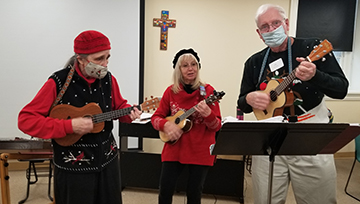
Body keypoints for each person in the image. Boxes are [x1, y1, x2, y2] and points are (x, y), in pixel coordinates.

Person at [237, 4, 348, 204]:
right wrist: (249, 99)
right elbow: (242, 103)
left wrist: (316, 75)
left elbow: (341, 89)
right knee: (265, 199)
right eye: (265, 27)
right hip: (268, 139)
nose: (271, 30)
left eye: (276, 23)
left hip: (309, 136)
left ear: (286, 24)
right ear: (259, 33)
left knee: (318, 199)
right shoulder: (253, 62)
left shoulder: (312, 48)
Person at [18, 30, 142, 204]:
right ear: (81, 59)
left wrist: (129, 113)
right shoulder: (58, 82)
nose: (105, 64)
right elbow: (26, 119)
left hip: (108, 163)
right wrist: (69, 126)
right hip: (73, 169)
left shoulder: (109, 80)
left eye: (108, 57)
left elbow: (119, 106)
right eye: (99, 59)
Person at [151, 48, 222, 204]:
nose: (190, 69)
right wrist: (166, 125)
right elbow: (156, 118)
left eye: (194, 64)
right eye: (185, 65)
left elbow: (216, 126)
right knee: (165, 189)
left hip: (200, 148)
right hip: (175, 147)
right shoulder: (170, 92)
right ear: (178, 70)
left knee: (194, 192)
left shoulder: (208, 91)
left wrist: (207, 114)